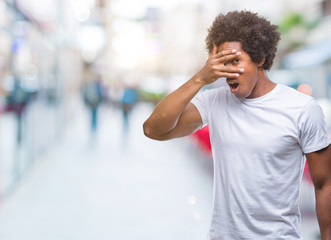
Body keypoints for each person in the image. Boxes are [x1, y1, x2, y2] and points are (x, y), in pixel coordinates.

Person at [143, 10, 331, 240]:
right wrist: (200, 78)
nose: (228, 71)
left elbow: (324, 184)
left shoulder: (302, 109)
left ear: (260, 58)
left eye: (235, 61)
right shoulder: (214, 101)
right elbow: (153, 129)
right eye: (221, 63)